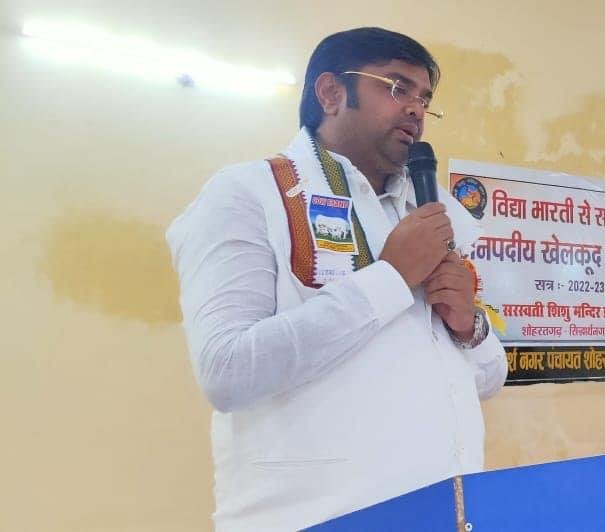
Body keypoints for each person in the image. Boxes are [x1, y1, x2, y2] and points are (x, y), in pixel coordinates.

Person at [166, 27, 507, 531]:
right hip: (316, 518)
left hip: (443, 510)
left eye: (424, 99)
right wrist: (392, 278)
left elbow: (488, 379)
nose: (415, 109)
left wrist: (469, 327)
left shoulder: (435, 215)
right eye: (396, 87)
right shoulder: (247, 193)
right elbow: (227, 370)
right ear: (330, 92)